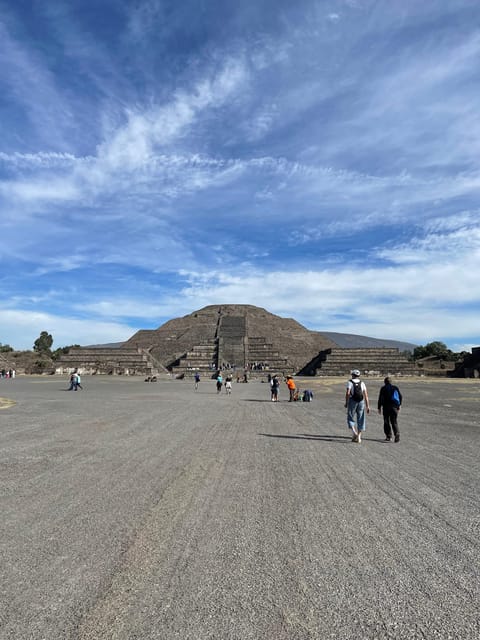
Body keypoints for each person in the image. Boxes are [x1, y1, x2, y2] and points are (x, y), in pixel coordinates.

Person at [345, 369, 370, 443]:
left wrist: (347, 402)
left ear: (352, 375)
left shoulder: (350, 382)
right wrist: (368, 406)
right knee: (361, 418)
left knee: (350, 417)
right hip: (361, 402)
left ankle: (354, 433)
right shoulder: (362, 383)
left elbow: (348, 393)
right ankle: (359, 436)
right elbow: (366, 395)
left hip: (353, 401)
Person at [378, 377, 402, 442]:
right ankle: (397, 433)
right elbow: (400, 396)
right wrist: (399, 405)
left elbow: (380, 398)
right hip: (394, 407)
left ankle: (388, 436)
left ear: (384, 382)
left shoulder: (383, 388)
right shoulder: (395, 388)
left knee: (386, 422)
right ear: (391, 382)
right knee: (394, 421)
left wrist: (379, 407)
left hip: (386, 408)